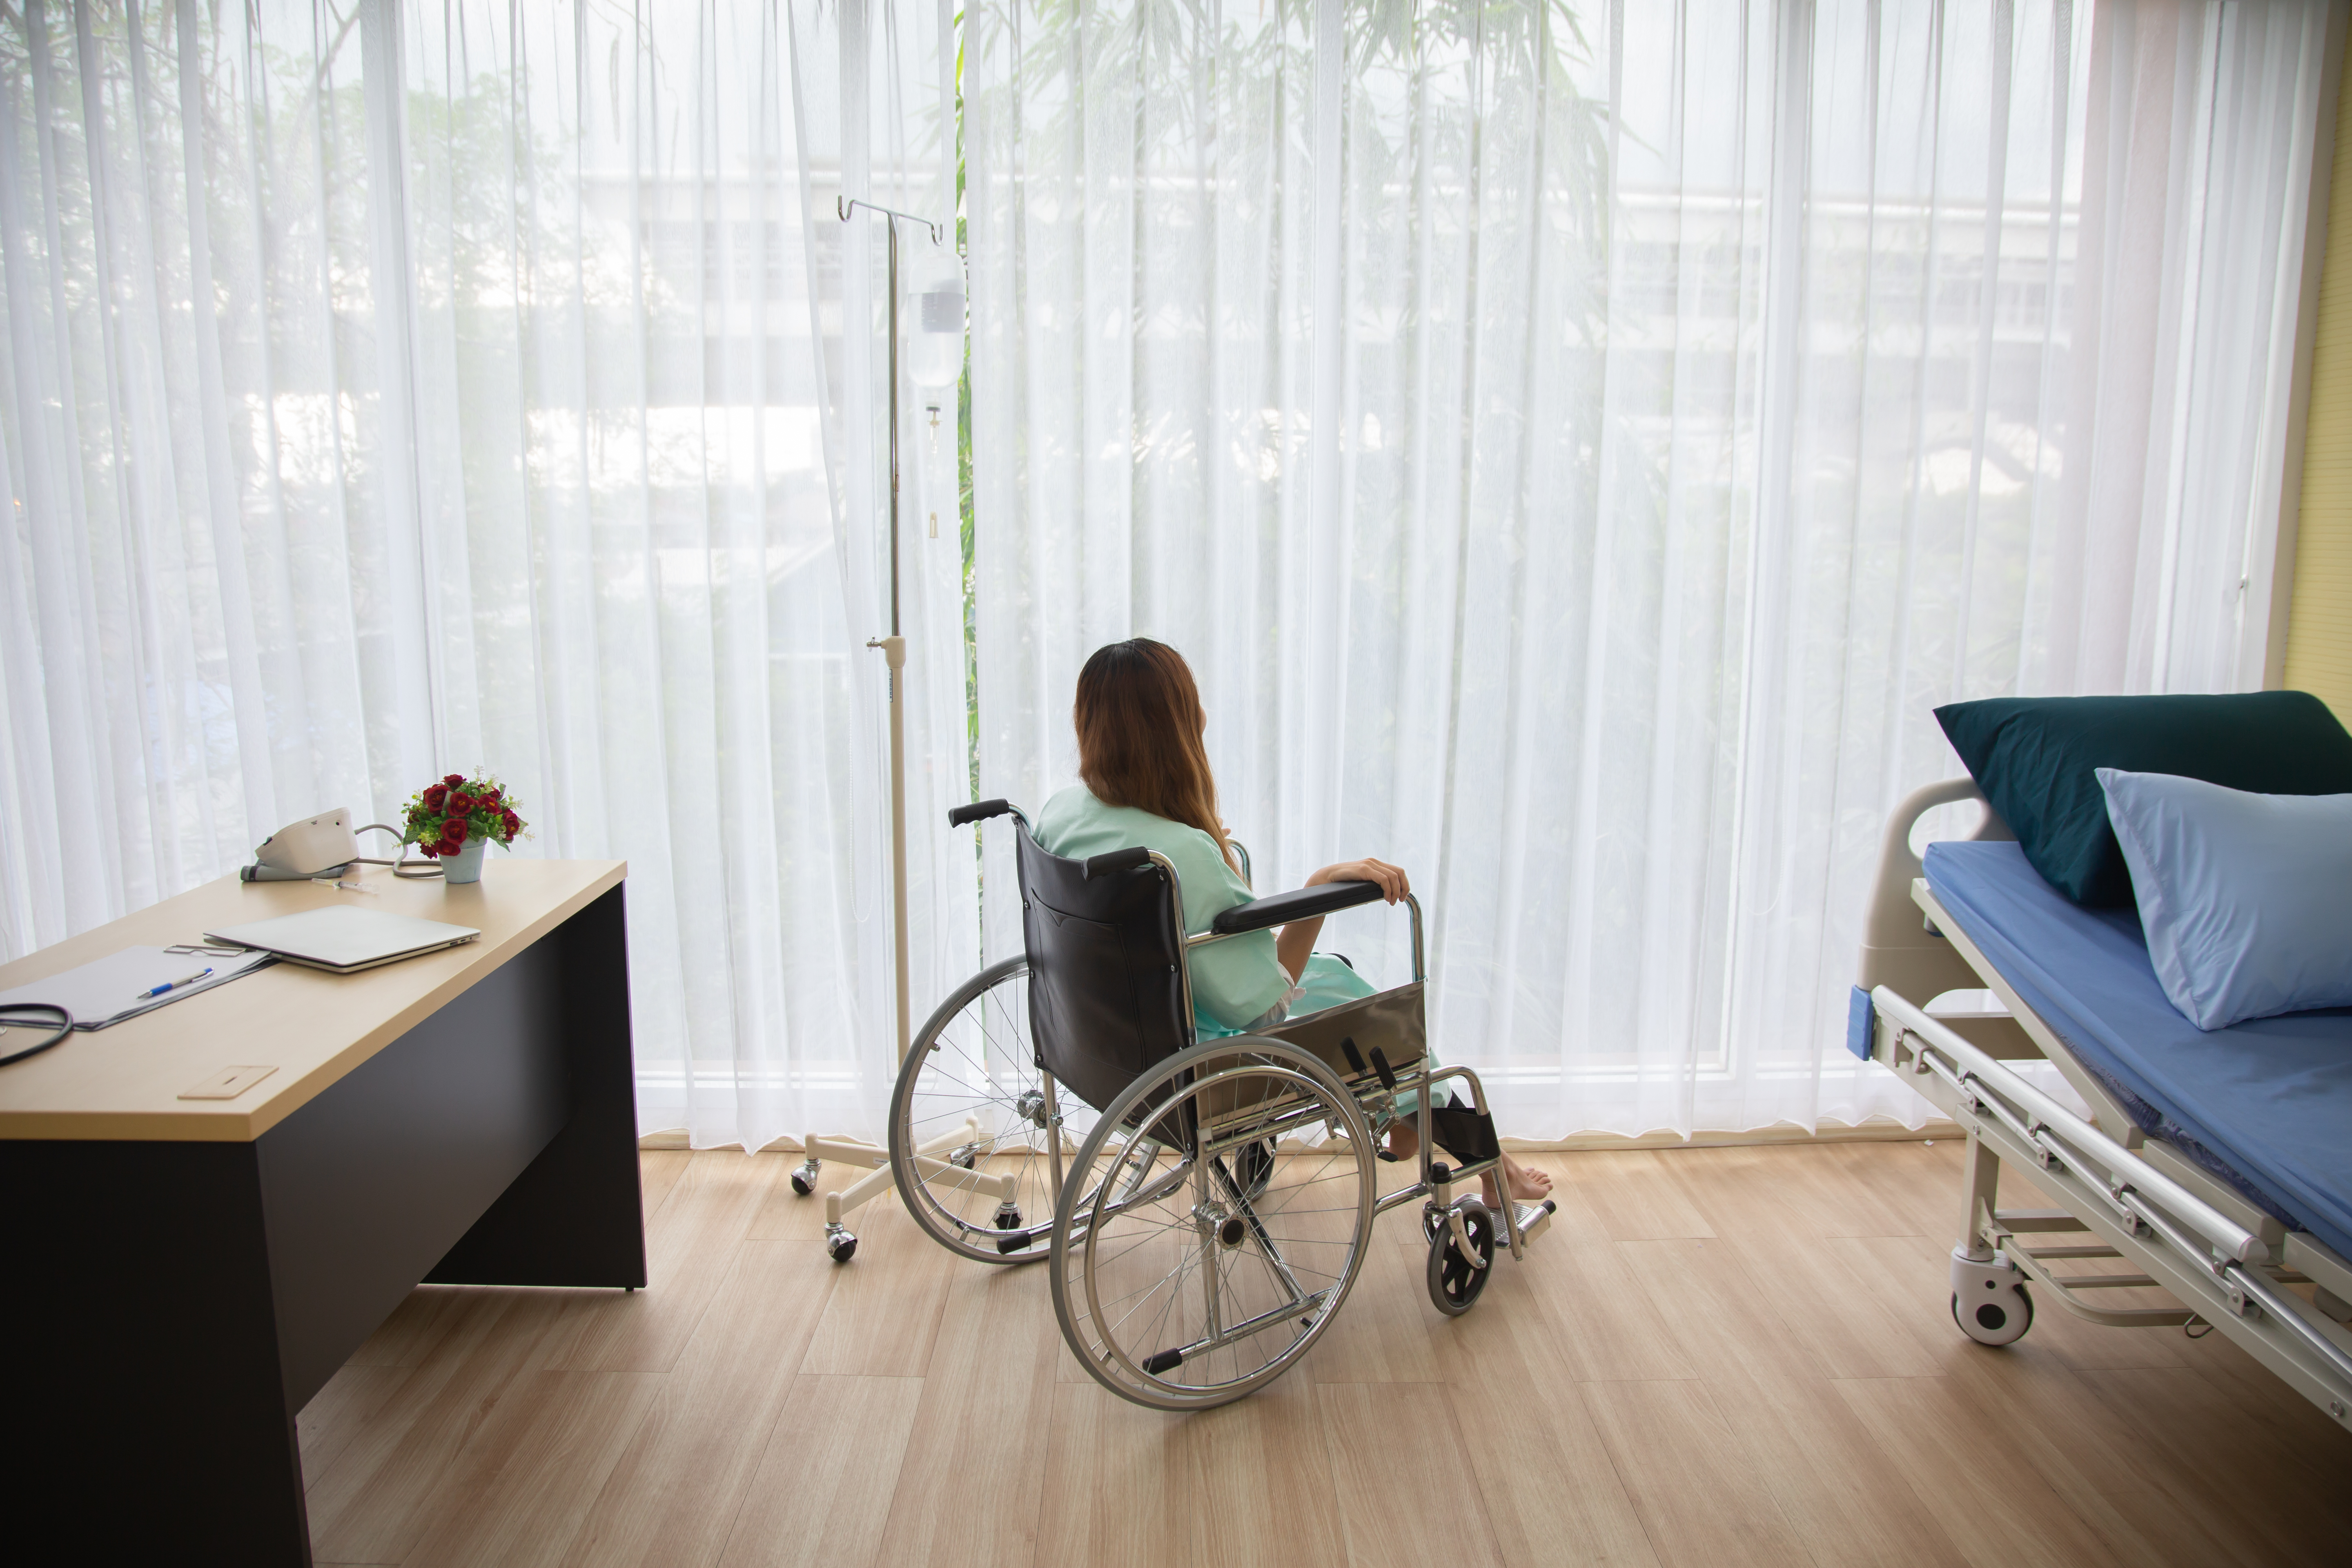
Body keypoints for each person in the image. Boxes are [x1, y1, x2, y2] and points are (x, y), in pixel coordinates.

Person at [1032, 637, 1553, 1209]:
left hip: (1108, 1035)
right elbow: (1263, 1007)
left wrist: (1205, 848)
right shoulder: (1181, 854)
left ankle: (1411, 1113)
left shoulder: (1064, 812)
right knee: (1371, 1013)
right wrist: (1323, 886)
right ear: (1178, 725)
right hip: (1198, 1059)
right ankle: (1479, 1157)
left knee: (1333, 979)